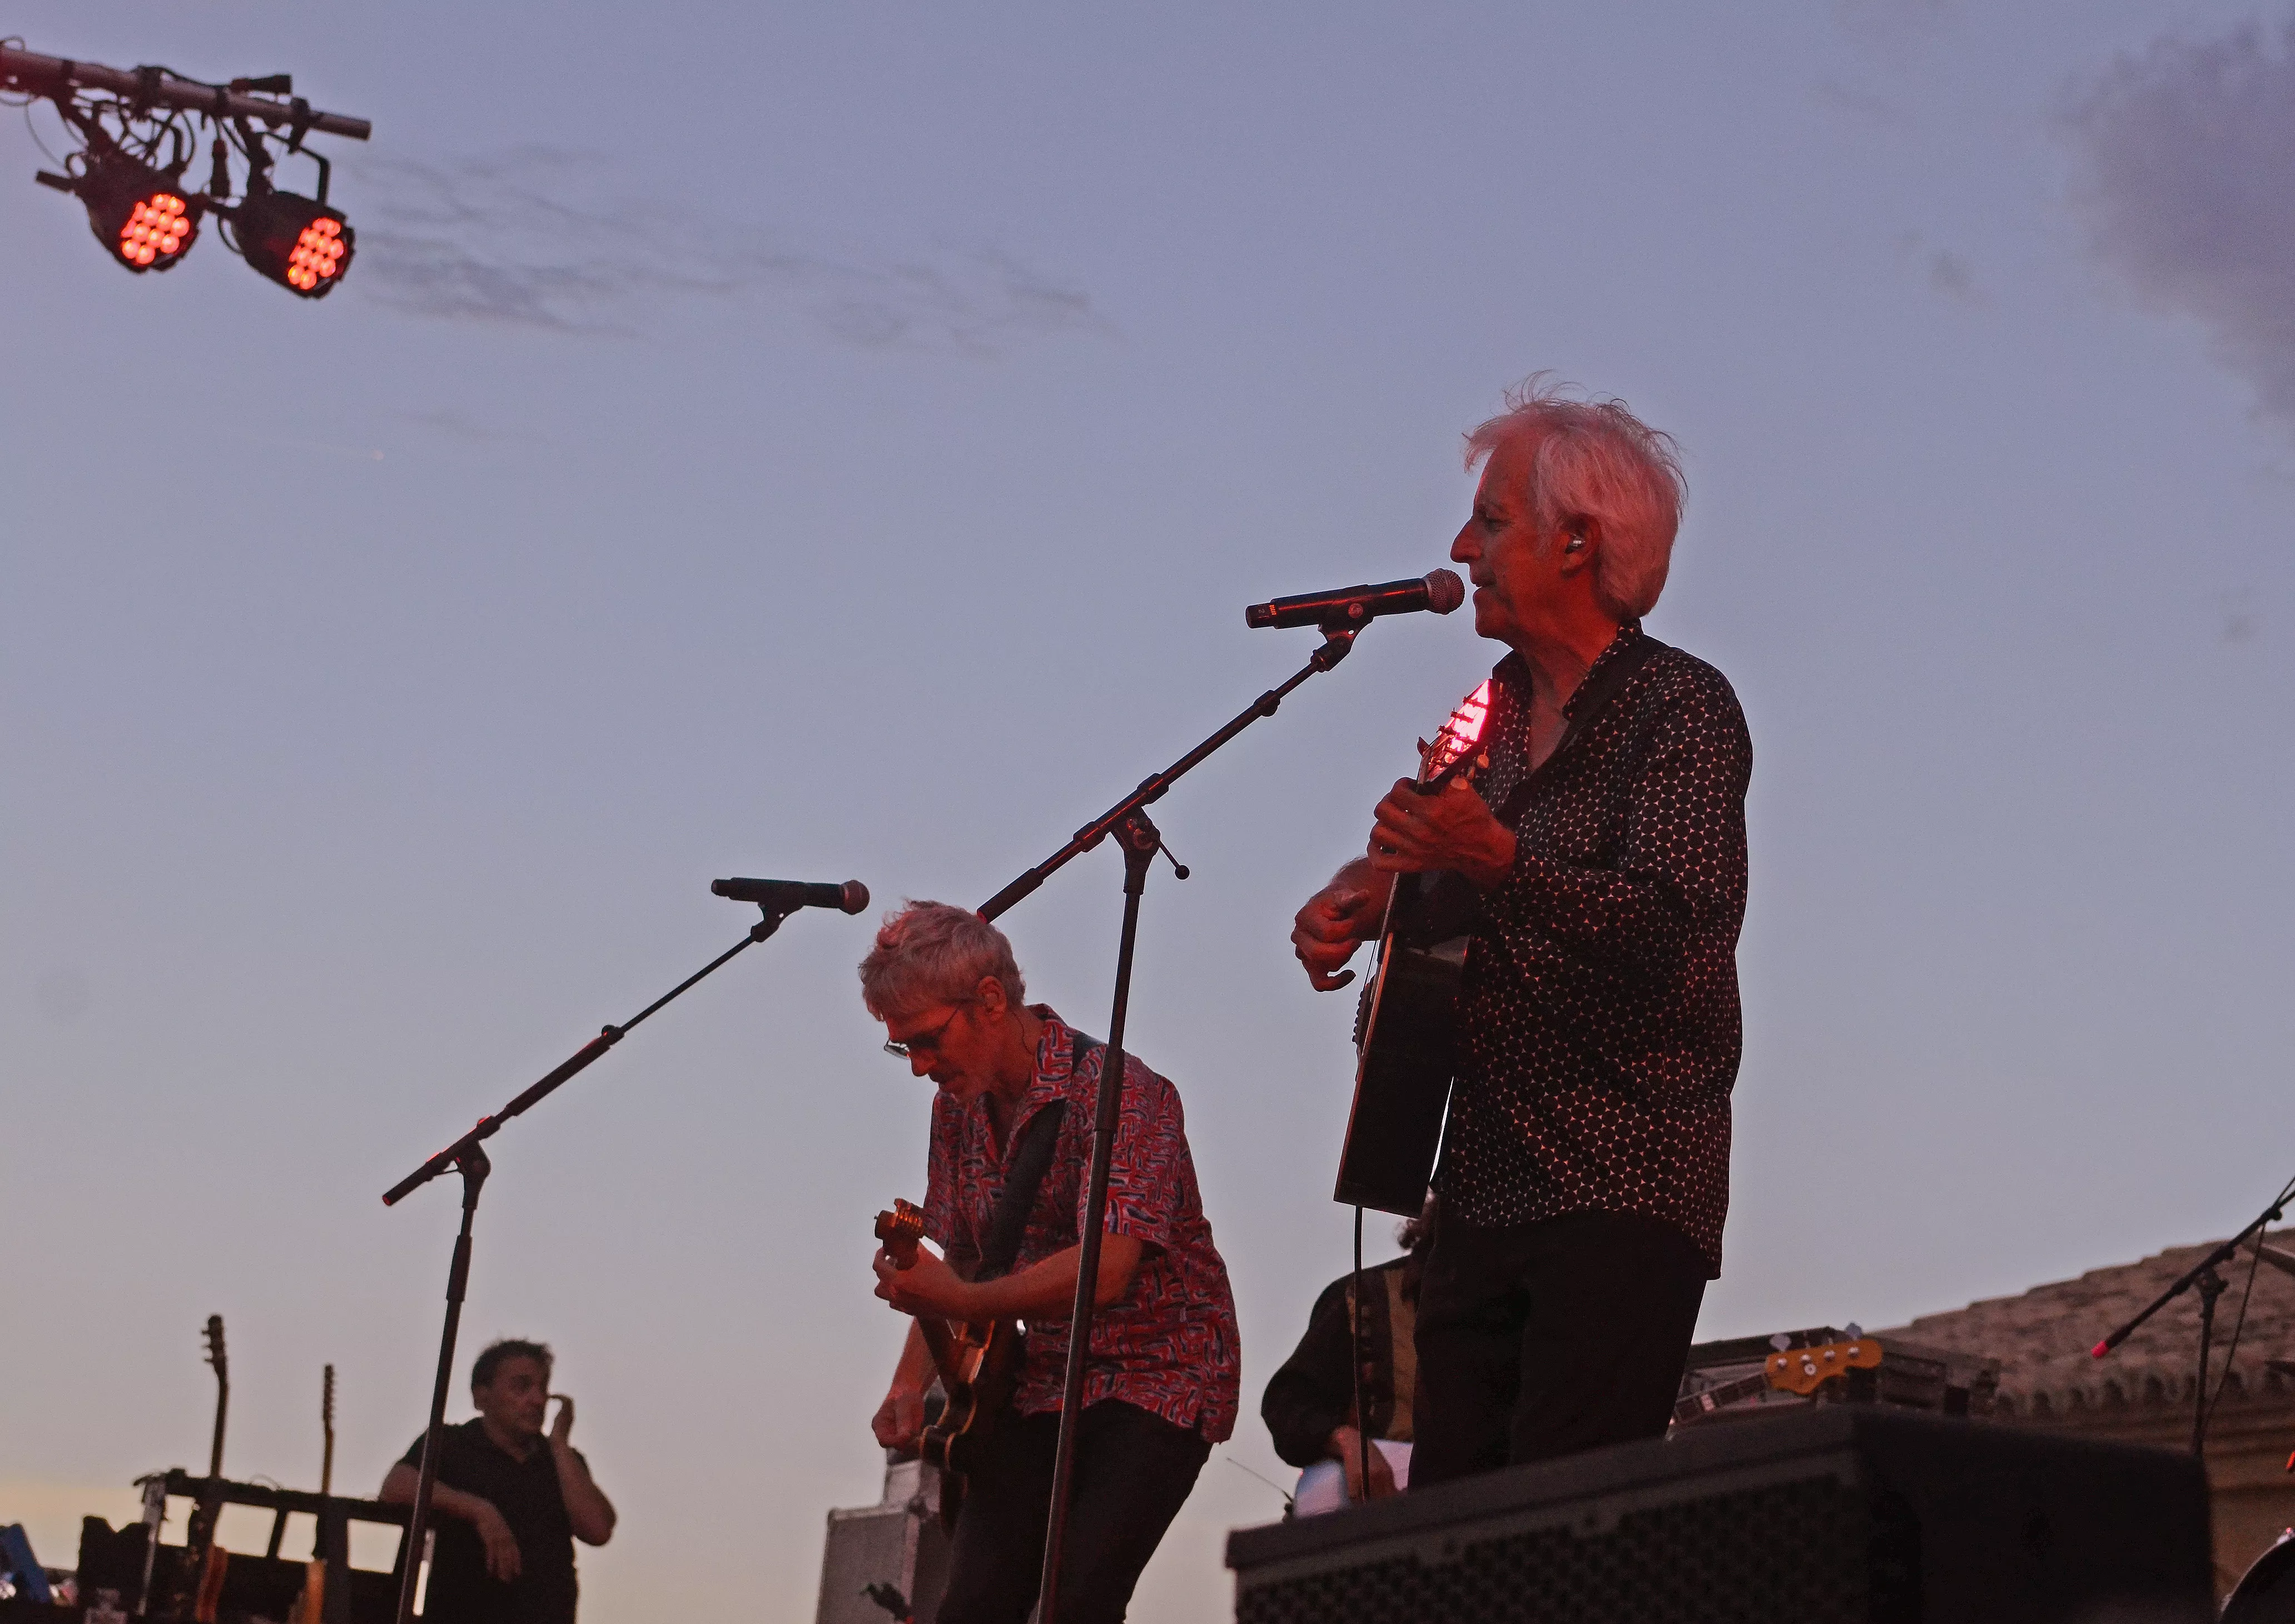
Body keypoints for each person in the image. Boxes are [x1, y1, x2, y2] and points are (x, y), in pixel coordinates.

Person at [1290, 379, 1751, 1487]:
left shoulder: (1681, 706)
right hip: (1478, 1192)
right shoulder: (1482, 719)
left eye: (1491, 521)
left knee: (1560, 1535)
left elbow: (1673, 931)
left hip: (1621, 1187)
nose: (1461, 545)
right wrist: (1367, 895)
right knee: (1455, 1540)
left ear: (1577, 540)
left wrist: (1494, 857)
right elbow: (1434, 893)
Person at [862, 901, 1239, 1624]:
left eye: (927, 1040)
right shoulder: (956, 1108)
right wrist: (910, 1381)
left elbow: (1109, 1271)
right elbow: (966, 1259)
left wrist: (964, 1303)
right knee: (972, 1607)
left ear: (992, 1001)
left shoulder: (1126, 1093)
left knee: (1079, 1602)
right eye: (900, 1048)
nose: (918, 1067)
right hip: (1041, 1381)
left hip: (1162, 1372)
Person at [380, 1338, 616, 1624]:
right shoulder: (453, 1443)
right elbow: (396, 1486)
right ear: (482, 1397)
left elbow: (598, 1530)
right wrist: (479, 1511)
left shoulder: (563, 1462)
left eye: (543, 1388)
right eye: (522, 1386)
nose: (538, 1399)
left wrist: (559, 1448)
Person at [1261, 1199, 1435, 1511]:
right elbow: (1287, 1405)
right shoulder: (1362, 1297)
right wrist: (1349, 1443)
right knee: (1325, 1491)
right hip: (1377, 1517)